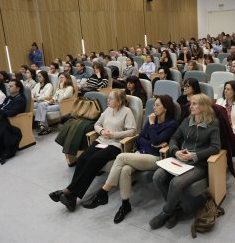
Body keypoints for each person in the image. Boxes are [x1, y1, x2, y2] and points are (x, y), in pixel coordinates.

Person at [83, 95, 178, 223]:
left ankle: (103, 192)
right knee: (125, 170)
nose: (154, 107)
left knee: (121, 157)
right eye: (154, 104)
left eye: (157, 105)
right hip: (140, 153)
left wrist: (151, 129)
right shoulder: (152, 119)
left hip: (156, 158)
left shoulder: (171, 124)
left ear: (165, 108)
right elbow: (140, 138)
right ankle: (125, 205)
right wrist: (152, 142)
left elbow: (155, 139)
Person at [48, 90, 136, 212]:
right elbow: (97, 124)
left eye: (111, 98)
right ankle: (72, 196)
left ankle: (68, 192)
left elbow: (132, 131)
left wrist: (114, 134)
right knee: (83, 158)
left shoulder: (127, 112)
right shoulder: (108, 110)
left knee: (94, 160)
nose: (108, 100)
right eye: (108, 98)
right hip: (102, 140)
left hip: (116, 144)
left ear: (119, 101)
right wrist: (101, 131)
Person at [149, 94, 220, 229]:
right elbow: (174, 138)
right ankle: (175, 209)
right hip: (180, 160)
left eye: (194, 104)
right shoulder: (187, 120)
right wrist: (175, 151)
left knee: (176, 183)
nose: (190, 106)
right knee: (157, 176)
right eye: (191, 103)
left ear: (204, 107)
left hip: (199, 164)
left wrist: (195, 155)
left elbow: (215, 148)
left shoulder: (213, 124)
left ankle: (166, 212)